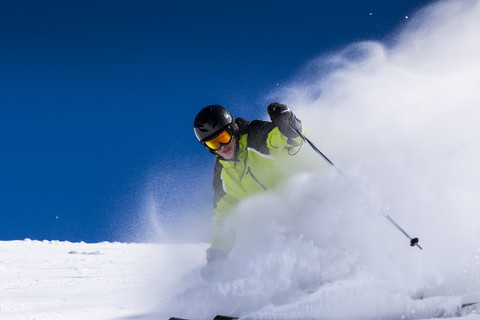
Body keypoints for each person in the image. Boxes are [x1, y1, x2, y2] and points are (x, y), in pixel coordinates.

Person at [193, 102, 304, 279]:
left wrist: (287, 122)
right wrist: (218, 251)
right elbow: (225, 218)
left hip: (303, 205)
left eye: (223, 137)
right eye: (214, 143)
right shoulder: (222, 175)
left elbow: (291, 140)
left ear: (233, 129)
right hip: (278, 227)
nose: (222, 146)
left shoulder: (256, 136)